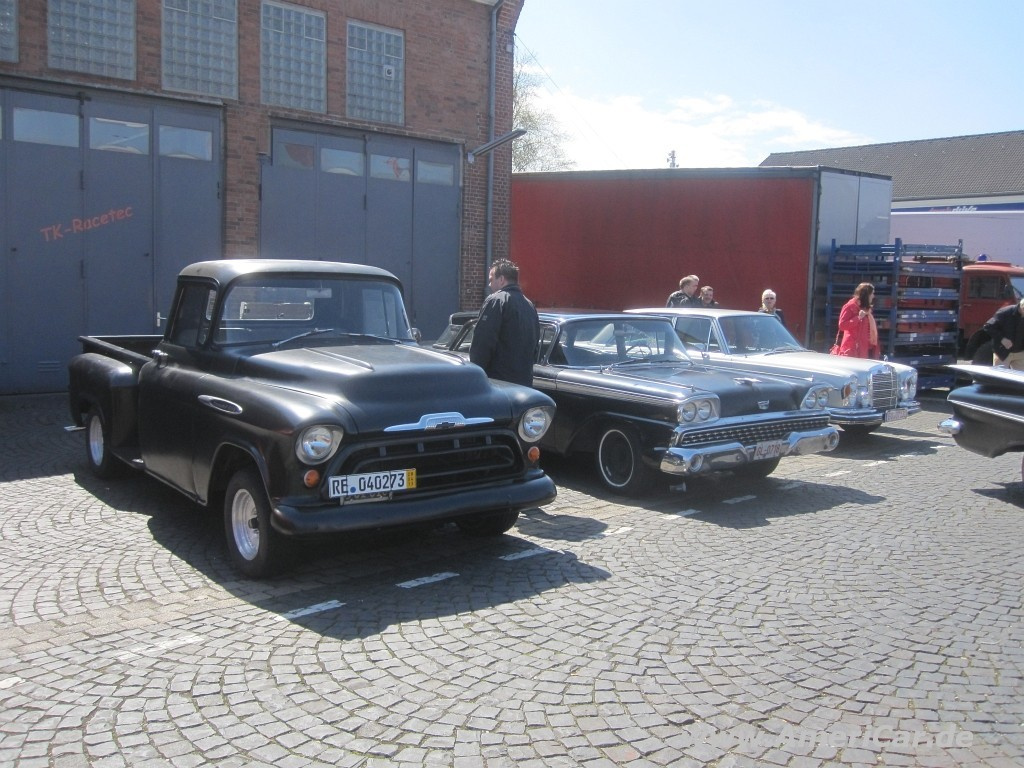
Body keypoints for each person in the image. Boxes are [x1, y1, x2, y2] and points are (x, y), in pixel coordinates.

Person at [469, 259, 539, 387]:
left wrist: (475, 376)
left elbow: (482, 342)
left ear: (501, 279)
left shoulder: (496, 300)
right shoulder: (529, 305)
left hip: (498, 382)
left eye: (491, 280)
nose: (489, 285)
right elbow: (535, 346)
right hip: (524, 383)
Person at [836, 282, 879, 359]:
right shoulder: (849, 306)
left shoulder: (867, 310)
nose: (873, 296)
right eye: (872, 294)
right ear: (866, 295)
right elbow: (842, 325)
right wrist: (858, 318)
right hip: (851, 349)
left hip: (863, 350)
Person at [982, 298, 1024, 369]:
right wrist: (1002, 339)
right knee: (999, 375)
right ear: (1022, 307)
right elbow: (988, 326)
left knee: (1020, 376)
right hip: (1003, 353)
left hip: (1020, 353)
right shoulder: (1005, 312)